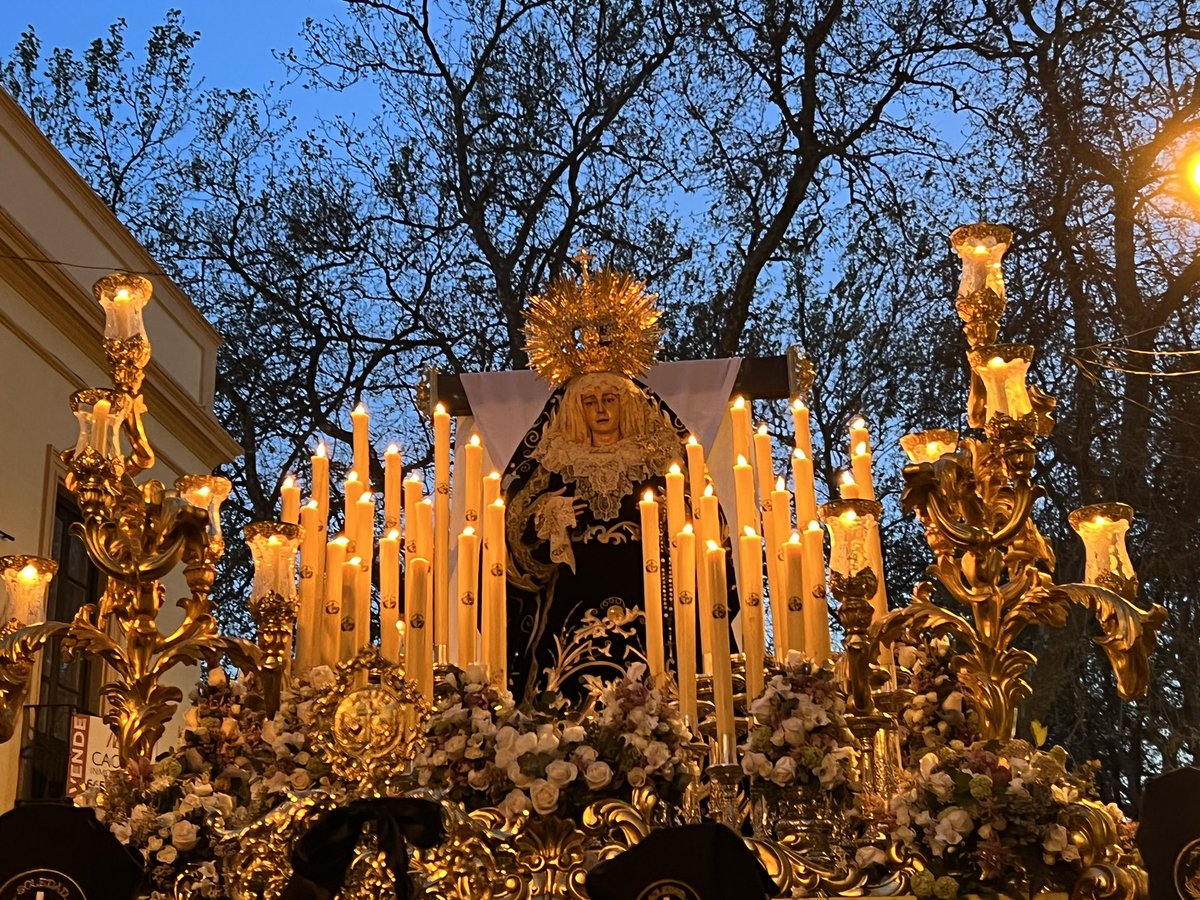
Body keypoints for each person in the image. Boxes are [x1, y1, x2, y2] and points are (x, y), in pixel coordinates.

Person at [503, 371, 684, 703]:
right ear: (577, 409)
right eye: (590, 402)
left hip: (644, 587)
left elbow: (696, 522)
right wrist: (550, 513)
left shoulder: (656, 462)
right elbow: (517, 533)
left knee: (656, 680)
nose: (601, 410)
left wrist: (670, 516)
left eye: (610, 400)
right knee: (561, 689)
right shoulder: (557, 463)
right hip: (574, 594)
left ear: (626, 405)